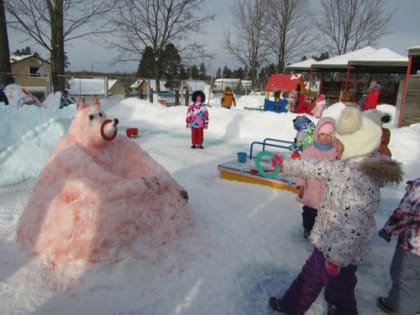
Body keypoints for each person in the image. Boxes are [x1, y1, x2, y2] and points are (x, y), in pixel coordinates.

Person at [268, 106, 403, 315]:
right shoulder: (344, 166)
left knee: (339, 297)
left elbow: (354, 224)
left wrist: (337, 258)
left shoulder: (362, 182)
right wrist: (287, 164)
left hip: (340, 256)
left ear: (355, 147)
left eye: (338, 143)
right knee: (308, 278)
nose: (334, 146)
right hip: (325, 241)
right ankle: (291, 306)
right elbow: (315, 167)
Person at [377, 178, 420, 315]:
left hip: (413, 246)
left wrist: (389, 229)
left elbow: (404, 213)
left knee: (404, 275)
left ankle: (401, 307)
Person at [296, 117, 338, 239]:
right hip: (311, 190)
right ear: (317, 134)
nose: (325, 137)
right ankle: (308, 228)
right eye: (322, 134)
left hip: (328, 191)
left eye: (329, 134)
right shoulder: (309, 151)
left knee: (326, 213)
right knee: (309, 213)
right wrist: (301, 185)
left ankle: (322, 230)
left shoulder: (335, 151)